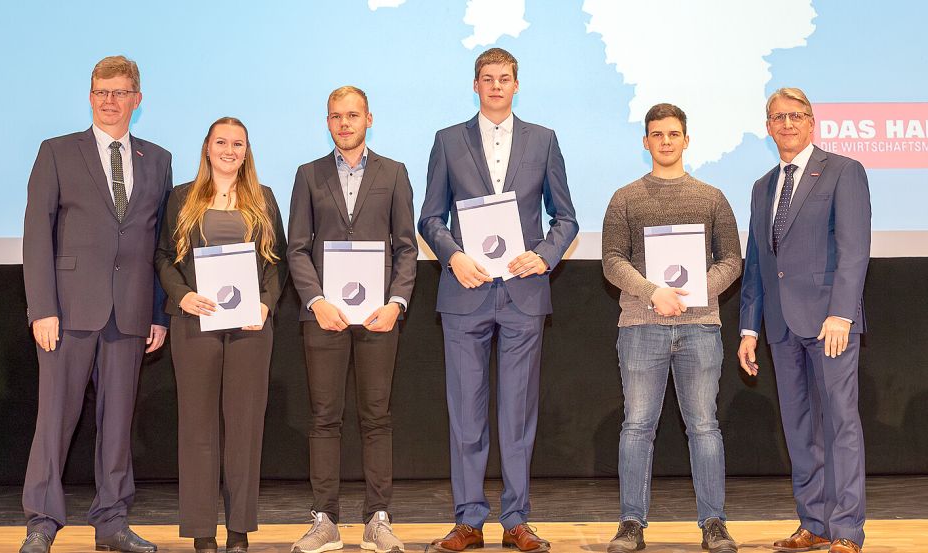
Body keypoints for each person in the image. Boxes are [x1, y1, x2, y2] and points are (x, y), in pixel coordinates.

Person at [418, 47, 578, 553]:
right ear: (475, 84)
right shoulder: (447, 141)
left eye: (504, 78)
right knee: (466, 413)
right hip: (464, 292)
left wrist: (544, 255)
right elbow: (430, 217)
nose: (495, 86)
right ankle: (468, 520)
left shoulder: (544, 140)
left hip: (522, 293)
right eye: (486, 78)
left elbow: (566, 218)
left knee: (517, 414)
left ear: (516, 84)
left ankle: (516, 520)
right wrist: (452, 256)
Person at [20, 55, 171, 553]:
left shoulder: (159, 159)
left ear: (137, 99)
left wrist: (156, 313)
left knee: (117, 424)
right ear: (90, 97)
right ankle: (43, 520)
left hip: (129, 314)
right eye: (102, 92)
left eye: (121, 92)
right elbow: (37, 234)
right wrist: (42, 307)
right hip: (66, 312)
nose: (111, 101)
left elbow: (157, 244)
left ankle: (112, 520)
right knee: (54, 419)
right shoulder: (58, 152)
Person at [601, 104, 741, 553]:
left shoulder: (712, 197)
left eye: (673, 133)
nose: (665, 141)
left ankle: (714, 523)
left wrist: (694, 292)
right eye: (656, 134)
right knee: (637, 425)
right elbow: (611, 260)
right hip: (641, 326)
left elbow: (732, 260)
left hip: (700, 326)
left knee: (704, 426)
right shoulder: (625, 197)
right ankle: (630, 524)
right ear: (645, 141)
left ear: (686, 139)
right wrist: (651, 292)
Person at [738, 88, 871, 553]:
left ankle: (847, 530)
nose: (787, 124)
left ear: (811, 122)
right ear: (768, 126)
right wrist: (749, 329)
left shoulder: (843, 171)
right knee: (798, 427)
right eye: (778, 117)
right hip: (780, 326)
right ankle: (813, 523)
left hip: (829, 323)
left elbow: (854, 251)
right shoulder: (761, 186)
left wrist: (841, 313)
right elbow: (756, 261)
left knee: (840, 424)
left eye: (796, 116)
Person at [288, 86, 417, 553]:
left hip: (379, 317)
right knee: (324, 418)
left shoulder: (394, 173)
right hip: (323, 317)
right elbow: (297, 248)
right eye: (336, 117)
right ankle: (325, 519)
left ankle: (377, 519)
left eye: (353, 115)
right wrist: (316, 300)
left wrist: (397, 302)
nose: (345, 124)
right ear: (328, 122)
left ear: (369, 119)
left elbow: (406, 247)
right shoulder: (308, 174)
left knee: (376, 417)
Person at [155, 117, 286, 553]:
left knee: (245, 427)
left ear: (246, 151)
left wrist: (266, 304)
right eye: (221, 142)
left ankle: (240, 529)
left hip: (250, 327)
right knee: (198, 427)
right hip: (195, 324)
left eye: (238, 144)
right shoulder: (181, 198)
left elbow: (278, 262)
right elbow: (161, 257)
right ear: (207, 148)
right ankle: (202, 530)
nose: (229, 150)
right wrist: (182, 295)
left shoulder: (263, 199)